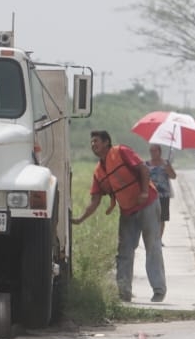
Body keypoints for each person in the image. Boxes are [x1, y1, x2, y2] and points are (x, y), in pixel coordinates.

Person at [71, 130, 167, 303]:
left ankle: (159, 290)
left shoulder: (121, 151)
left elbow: (143, 169)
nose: (93, 145)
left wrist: (144, 192)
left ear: (107, 142)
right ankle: (124, 293)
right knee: (124, 251)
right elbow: (95, 200)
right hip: (127, 211)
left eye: (96, 141)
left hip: (148, 204)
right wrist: (80, 219)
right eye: (92, 142)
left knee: (152, 246)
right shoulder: (98, 171)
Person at [147, 144, 177, 241]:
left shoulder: (166, 163)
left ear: (159, 152)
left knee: (162, 218)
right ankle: (152, 238)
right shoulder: (146, 164)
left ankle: (158, 239)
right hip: (151, 196)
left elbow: (173, 176)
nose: (153, 153)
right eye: (151, 151)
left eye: (155, 151)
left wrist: (168, 169)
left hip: (163, 195)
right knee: (151, 218)